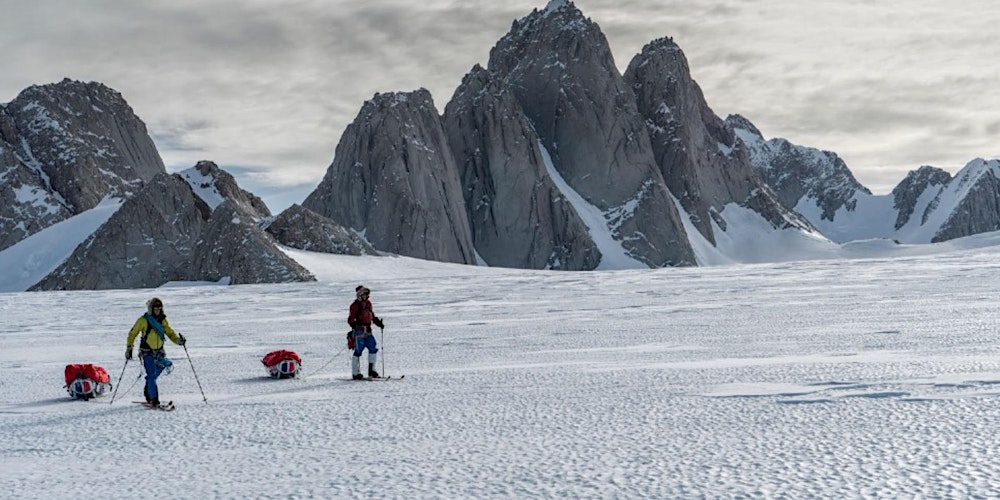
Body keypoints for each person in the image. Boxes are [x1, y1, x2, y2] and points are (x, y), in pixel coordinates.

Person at [126, 297, 186, 406]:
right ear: (151, 309)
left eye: (159, 308)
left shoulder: (163, 320)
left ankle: (149, 385)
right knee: (152, 374)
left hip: (159, 352)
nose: (157, 310)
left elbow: (170, 333)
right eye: (155, 308)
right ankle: (154, 399)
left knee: (160, 368)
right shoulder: (143, 320)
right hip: (147, 351)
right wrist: (129, 347)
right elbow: (132, 334)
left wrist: (178, 341)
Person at [348, 285, 384, 380]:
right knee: (358, 351)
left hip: (368, 331)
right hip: (359, 332)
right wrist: (355, 324)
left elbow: (372, 316)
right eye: (363, 294)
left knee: (373, 348)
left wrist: (378, 323)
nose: (365, 295)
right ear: (359, 295)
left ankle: (372, 371)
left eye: (366, 294)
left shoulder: (368, 304)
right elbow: (350, 320)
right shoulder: (354, 306)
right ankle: (355, 373)